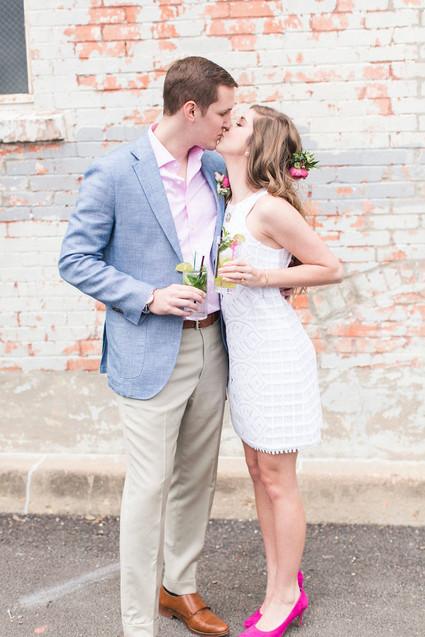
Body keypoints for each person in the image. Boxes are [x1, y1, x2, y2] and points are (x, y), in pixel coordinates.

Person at [58, 57, 238, 637]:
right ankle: (137, 624)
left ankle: (178, 588)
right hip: (149, 349)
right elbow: (74, 260)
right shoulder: (114, 172)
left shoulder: (216, 166)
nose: (228, 122)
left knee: (197, 478)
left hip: (213, 343)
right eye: (222, 113)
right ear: (191, 109)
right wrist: (149, 296)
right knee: (149, 489)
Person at [215, 105, 344, 637]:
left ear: (256, 145)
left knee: (277, 479)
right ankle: (278, 581)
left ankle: (287, 595)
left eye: (241, 121)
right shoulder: (231, 201)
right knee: (257, 471)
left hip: (275, 355)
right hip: (246, 356)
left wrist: (266, 279)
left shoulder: (269, 208)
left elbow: (331, 267)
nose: (228, 122)